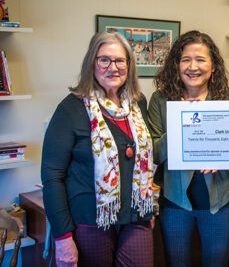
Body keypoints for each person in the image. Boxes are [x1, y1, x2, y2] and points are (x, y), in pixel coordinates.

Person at [41, 31, 155, 267]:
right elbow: (52, 178)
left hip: (136, 217)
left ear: (129, 65)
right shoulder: (71, 109)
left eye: (120, 60)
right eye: (104, 59)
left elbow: (147, 159)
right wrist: (62, 238)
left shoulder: (138, 103)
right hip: (89, 221)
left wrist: (147, 207)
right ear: (91, 63)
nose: (113, 67)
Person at [147, 30, 229, 267]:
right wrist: (181, 122)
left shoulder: (224, 101)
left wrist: (224, 158)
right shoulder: (160, 100)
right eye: (185, 59)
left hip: (219, 202)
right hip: (175, 203)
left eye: (200, 59)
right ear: (176, 65)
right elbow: (153, 153)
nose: (192, 66)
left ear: (213, 65)